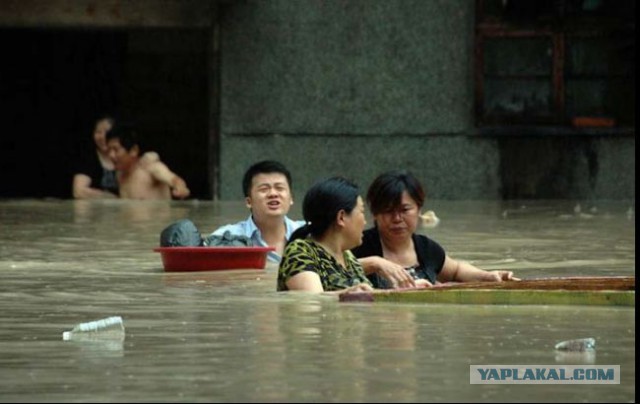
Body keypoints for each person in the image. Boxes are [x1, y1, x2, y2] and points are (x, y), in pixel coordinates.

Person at [351, 170, 518, 289]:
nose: (397, 218)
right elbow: (330, 274)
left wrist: (487, 276)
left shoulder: (427, 249)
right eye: (388, 211)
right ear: (375, 214)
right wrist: (375, 264)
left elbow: (456, 270)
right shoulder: (358, 245)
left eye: (404, 210)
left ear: (419, 210)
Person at [277, 176, 374, 293]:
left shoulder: (348, 257)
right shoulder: (300, 251)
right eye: (362, 212)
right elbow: (312, 303)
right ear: (341, 217)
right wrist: (348, 294)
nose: (365, 222)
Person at [208, 160, 305, 263]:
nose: (273, 194)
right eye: (264, 189)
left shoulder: (312, 234)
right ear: (249, 202)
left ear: (291, 198)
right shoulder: (225, 238)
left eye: (279, 188)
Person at [105, 122, 190, 200]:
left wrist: (180, 188)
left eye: (116, 150)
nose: (111, 155)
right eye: (109, 150)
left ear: (133, 150)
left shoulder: (151, 167)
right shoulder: (119, 175)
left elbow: (174, 179)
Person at [72, 114, 119, 199]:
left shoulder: (124, 157)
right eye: (98, 132)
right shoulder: (88, 157)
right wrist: (112, 199)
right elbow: (78, 192)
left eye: (107, 132)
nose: (102, 136)